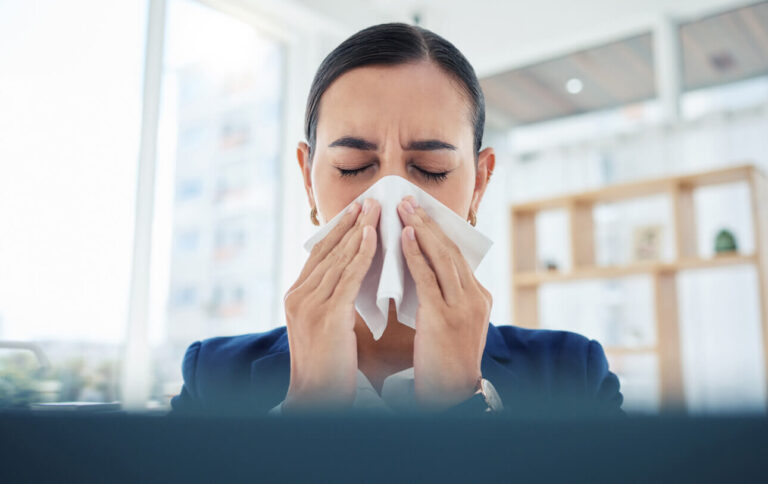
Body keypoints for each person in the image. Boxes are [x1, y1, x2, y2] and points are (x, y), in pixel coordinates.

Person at [170, 23, 624, 417]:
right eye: (351, 165)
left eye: (431, 169)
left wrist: (462, 408)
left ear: (479, 185)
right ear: (309, 182)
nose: (389, 199)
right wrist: (306, 413)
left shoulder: (571, 374)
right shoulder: (213, 377)